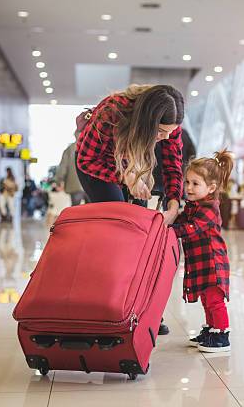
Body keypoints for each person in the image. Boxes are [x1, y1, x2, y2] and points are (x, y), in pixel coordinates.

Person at [76, 84, 185, 335]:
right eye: (160, 132)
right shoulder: (113, 111)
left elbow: (172, 165)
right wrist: (126, 179)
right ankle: (109, 307)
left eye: (172, 132)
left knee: (141, 238)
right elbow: (86, 160)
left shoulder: (170, 128)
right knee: (117, 236)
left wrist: (174, 203)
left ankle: (141, 310)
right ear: (147, 123)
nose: (166, 137)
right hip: (98, 166)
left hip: (137, 165)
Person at [170, 149, 234, 353]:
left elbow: (192, 228)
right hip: (202, 262)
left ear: (211, 187)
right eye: (187, 182)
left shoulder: (209, 208)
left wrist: (172, 230)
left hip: (213, 263)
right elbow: (181, 219)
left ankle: (222, 335)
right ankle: (211, 330)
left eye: (195, 184)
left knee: (215, 301)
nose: (188, 187)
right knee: (206, 299)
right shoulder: (193, 206)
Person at [56, 131, 87, 206]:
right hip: (90, 185)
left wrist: (59, 181)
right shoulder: (91, 146)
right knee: (91, 211)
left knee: (75, 210)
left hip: (75, 186)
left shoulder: (69, 150)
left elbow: (63, 167)